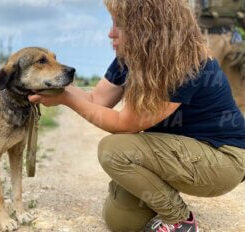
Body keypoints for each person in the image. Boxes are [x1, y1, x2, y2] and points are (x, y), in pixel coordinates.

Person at [28, 0, 245, 231]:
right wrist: (55, 87)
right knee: (121, 222)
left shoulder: (184, 63)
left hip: (223, 160)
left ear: (146, 28)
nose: (110, 33)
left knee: (114, 150)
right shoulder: (129, 58)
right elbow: (96, 100)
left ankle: (180, 220)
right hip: (181, 155)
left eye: (119, 25)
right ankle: (164, 196)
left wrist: (65, 99)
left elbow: (125, 124)